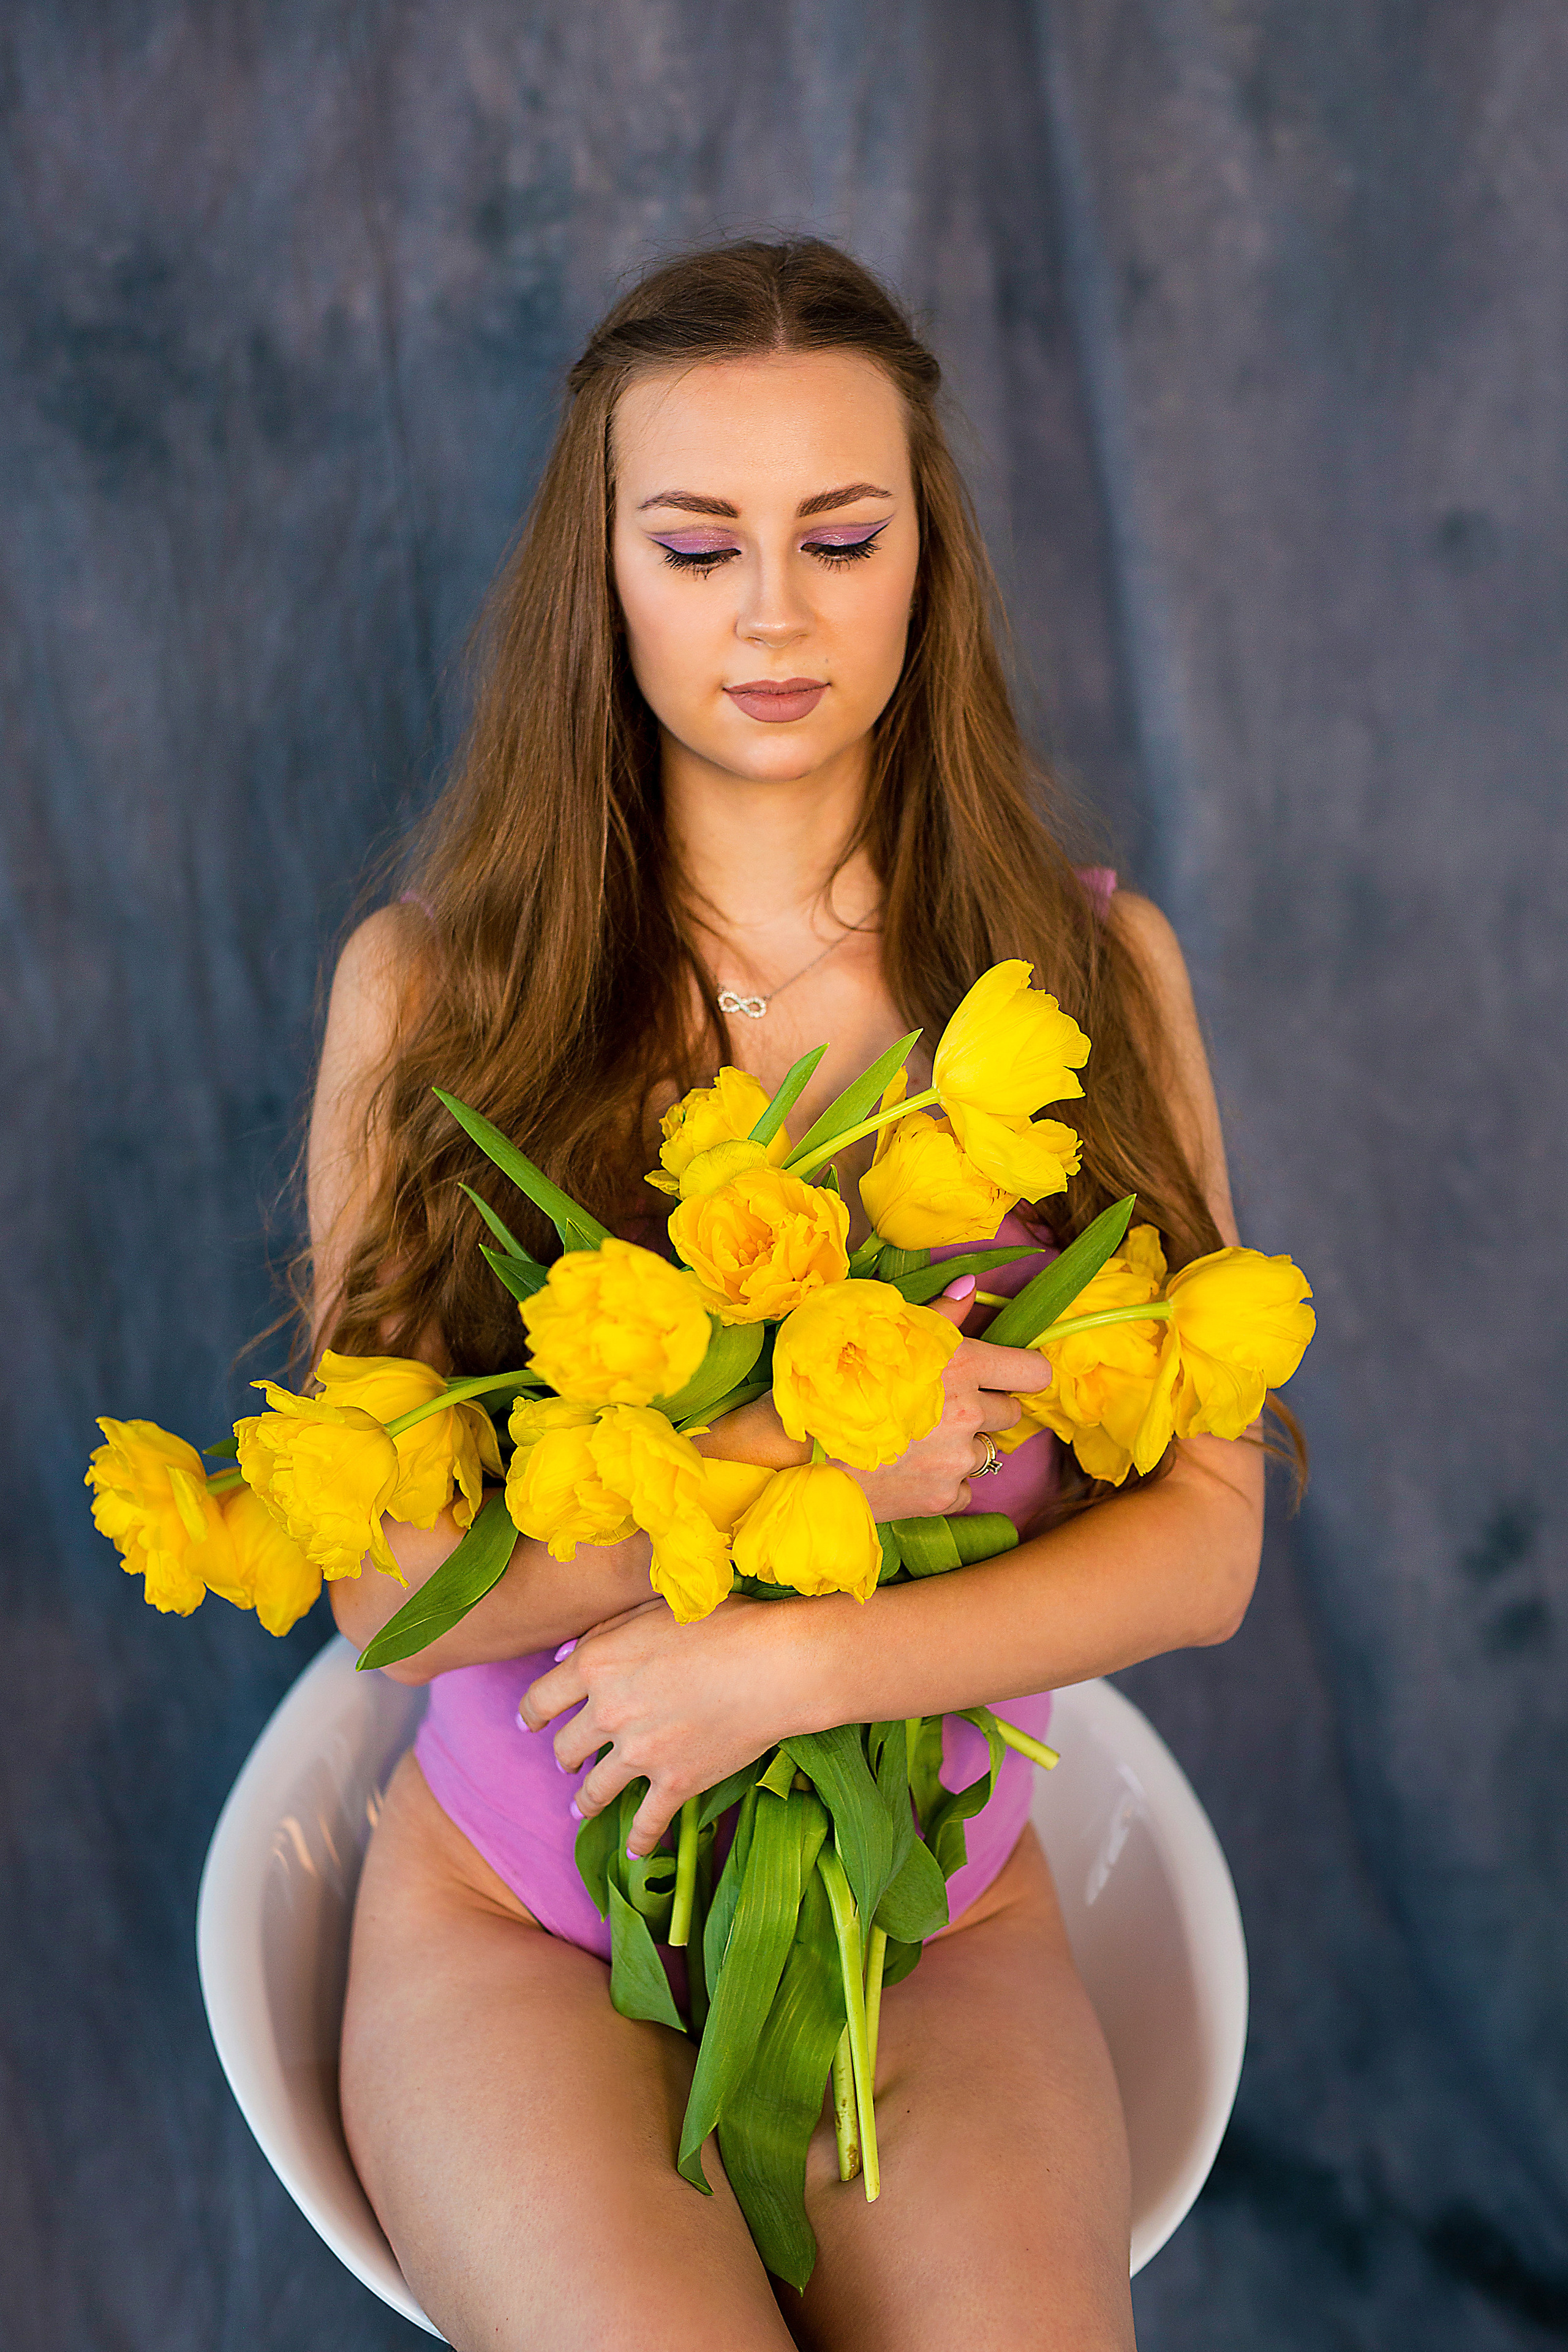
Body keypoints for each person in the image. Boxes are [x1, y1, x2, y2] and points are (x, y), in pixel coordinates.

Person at [308, 238, 1266, 2352]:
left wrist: (799, 1670)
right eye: (697, 543)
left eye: (842, 536)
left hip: (931, 1929)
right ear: (604, 576)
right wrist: (765, 1456)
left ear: (931, 563)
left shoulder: (1102, 986)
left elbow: (1203, 1550)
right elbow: (395, 1597)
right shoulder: (437, 996)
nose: (773, 612)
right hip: (517, 1930)